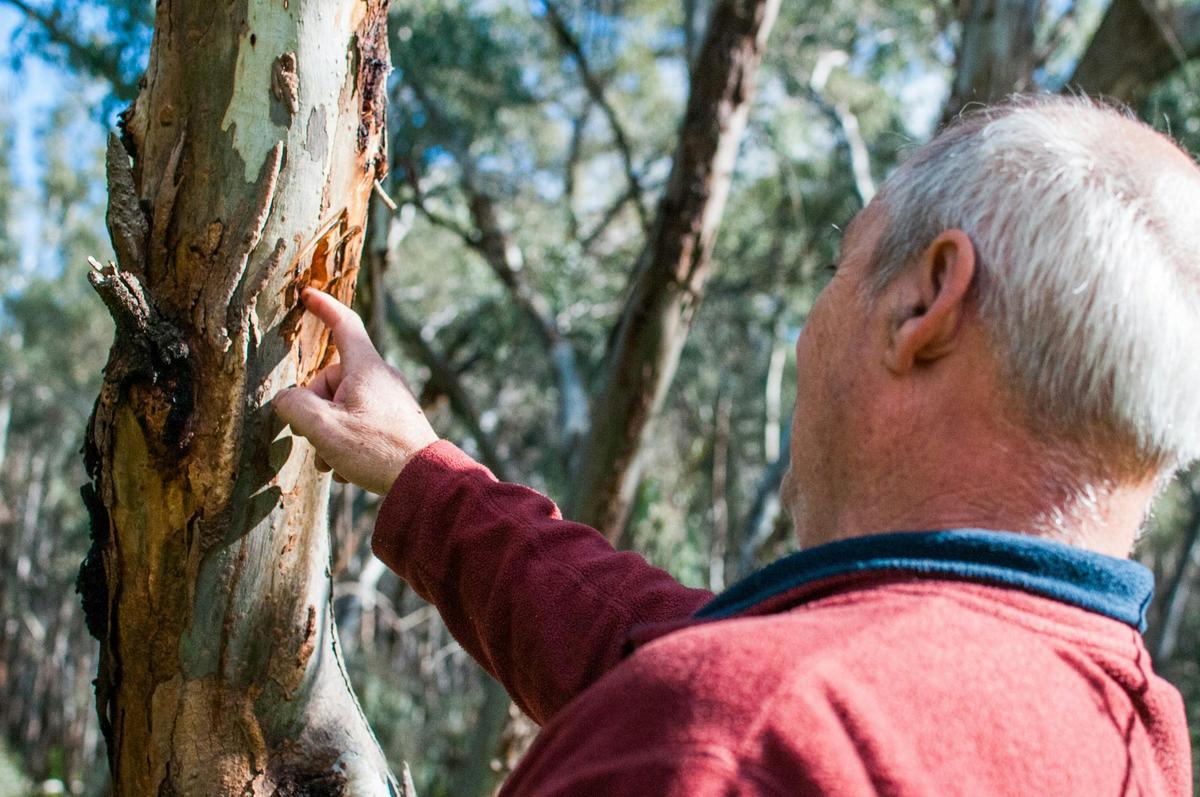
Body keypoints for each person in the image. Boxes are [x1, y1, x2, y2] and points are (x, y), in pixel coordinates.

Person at [274, 96, 1198, 795]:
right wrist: (424, 478)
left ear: (926, 303)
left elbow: (720, 707)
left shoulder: (737, 740)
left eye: (843, 265)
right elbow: (670, 649)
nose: (809, 329)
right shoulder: (1133, 730)